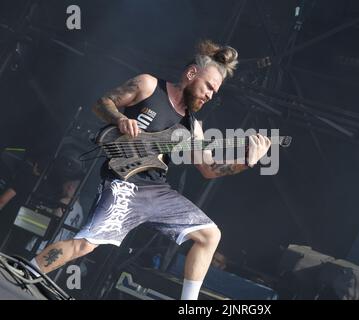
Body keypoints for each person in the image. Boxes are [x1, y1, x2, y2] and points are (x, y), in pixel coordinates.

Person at [30, 39, 271, 300]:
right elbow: (102, 103)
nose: (211, 94)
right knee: (85, 245)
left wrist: (247, 161)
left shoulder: (193, 126)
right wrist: (120, 118)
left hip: (157, 191)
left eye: (215, 91)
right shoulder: (148, 85)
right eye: (209, 86)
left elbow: (209, 169)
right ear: (191, 74)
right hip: (124, 184)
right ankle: (27, 270)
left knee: (210, 235)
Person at [25, 179, 84, 255]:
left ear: (70, 187)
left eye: (64, 189)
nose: (63, 192)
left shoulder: (65, 202)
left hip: (40, 247)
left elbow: (52, 224)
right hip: (55, 252)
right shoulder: (81, 213)